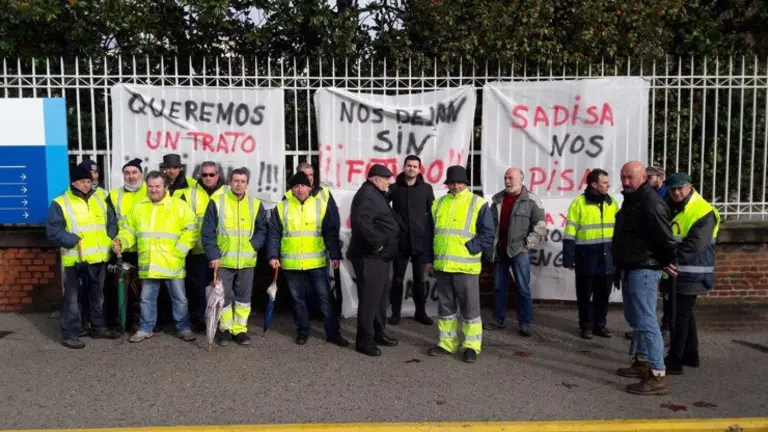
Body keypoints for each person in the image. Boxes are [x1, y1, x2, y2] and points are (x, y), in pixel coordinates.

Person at [613, 161, 677, 395]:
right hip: (632, 267)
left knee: (646, 320)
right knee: (635, 317)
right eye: (623, 177)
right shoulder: (633, 201)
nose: (625, 181)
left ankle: (657, 374)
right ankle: (642, 361)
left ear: (644, 178)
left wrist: (665, 261)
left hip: (644, 268)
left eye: (630, 177)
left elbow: (666, 240)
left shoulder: (650, 203)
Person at [113, 171, 198, 344]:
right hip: (149, 262)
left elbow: (192, 229)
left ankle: (183, 327)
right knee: (146, 299)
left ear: (166, 187)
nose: (153, 190)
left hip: (173, 262)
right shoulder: (139, 207)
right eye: (150, 186)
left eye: (158, 186)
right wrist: (121, 241)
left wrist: (179, 251)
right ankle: (146, 328)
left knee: (180, 299)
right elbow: (128, 231)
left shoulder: (178, 206)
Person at [267, 171, 348, 347]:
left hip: (316, 263)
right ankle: (303, 331)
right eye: (296, 186)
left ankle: (333, 333)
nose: (300, 189)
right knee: (298, 300)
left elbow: (330, 233)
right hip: (291, 263)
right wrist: (273, 255)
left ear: (310, 187)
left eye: (303, 185)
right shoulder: (282, 207)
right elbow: (274, 234)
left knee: (325, 299)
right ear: (291, 189)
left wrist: (335, 255)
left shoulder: (321, 205)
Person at [423, 166, 494, 363]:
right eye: (452, 183)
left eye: (460, 182)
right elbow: (429, 235)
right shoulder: (438, 204)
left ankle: (471, 346)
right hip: (443, 266)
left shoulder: (478, 203)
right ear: (447, 184)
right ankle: (447, 343)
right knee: (445, 308)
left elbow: (488, 235)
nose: (456, 186)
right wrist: (428, 260)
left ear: (466, 183)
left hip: (466, 267)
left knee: (470, 310)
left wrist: (469, 247)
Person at [46, 165, 120, 349]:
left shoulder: (101, 197)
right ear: (73, 182)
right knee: (72, 298)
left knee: (98, 296)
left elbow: (111, 221)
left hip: (99, 257)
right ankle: (70, 333)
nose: (86, 185)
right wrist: (72, 239)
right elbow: (53, 231)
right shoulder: (60, 202)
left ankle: (98, 327)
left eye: (88, 181)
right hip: (75, 259)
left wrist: (110, 238)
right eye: (82, 181)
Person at [661, 172, 720, 375]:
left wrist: (666, 260)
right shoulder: (670, 205)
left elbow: (694, 245)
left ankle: (674, 361)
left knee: (679, 315)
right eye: (673, 189)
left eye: (680, 188)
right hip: (678, 271)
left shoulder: (703, 211)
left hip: (691, 271)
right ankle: (691, 355)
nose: (676, 192)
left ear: (690, 187)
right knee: (685, 314)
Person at [202, 168, 267, 346]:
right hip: (223, 260)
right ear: (230, 182)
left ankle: (240, 330)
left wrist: (254, 245)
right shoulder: (217, 201)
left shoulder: (255, 204)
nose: (239, 184)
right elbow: (207, 232)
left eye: (242, 181)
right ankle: (225, 330)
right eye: (236, 181)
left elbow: (262, 229)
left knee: (244, 298)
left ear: (247, 184)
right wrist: (213, 255)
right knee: (224, 297)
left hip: (246, 260)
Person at [484, 167, 547, 337]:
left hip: (520, 251)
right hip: (500, 250)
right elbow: (489, 224)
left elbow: (540, 227)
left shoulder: (531, 200)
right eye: (505, 178)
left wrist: (527, 245)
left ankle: (524, 322)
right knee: (498, 287)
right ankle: (498, 319)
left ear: (521, 180)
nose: (507, 181)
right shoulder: (497, 199)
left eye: (511, 178)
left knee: (522, 287)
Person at [348, 164, 400, 357]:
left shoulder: (375, 193)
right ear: (376, 178)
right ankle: (364, 341)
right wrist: (378, 244)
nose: (389, 182)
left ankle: (379, 332)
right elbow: (362, 222)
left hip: (380, 257)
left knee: (380, 298)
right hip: (370, 256)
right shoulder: (368, 194)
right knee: (370, 300)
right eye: (386, 178)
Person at [563, 168, 620, 339]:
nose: (608, 185)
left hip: (607, 258)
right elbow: (570, 232)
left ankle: (600, 325)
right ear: (594, 184)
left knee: (603, 296)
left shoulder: (612, 203)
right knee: (584, 295)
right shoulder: (578, 203)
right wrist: (569, 258)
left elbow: (618, 231)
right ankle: (586, 326)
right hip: (586, 258)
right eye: (604, 182)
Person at [386, 155, 435, 326]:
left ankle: (420, 313)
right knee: (397, 279)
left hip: (420, 242)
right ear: (404, 167)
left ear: (420, 169)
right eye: (409, 166)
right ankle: (395, 313)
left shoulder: (427, 189)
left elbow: (433, 215)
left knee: (419, 280)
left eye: (415, 166)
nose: (411, 169)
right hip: (400, 242)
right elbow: (383, 208)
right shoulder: (394, 188)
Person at [625, 166, 672, 343]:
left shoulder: (658, 199)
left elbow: (662, 234)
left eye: (650, 177)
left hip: (653, 261)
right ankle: (643, 349)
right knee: (643, 310)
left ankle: (654, 363)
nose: (647, 180)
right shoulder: (643, 197)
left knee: (650, 310)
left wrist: (668, 259)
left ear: (659, 178)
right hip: (652, 260)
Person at [289, 162, 340, 320]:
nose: (309, 178)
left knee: (322, 287)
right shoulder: (290, 195)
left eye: (311, 175)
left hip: (319, 249)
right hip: (297, 252)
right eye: (305, 175)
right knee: (303, 288)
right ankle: (308, 315)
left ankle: (324, 316)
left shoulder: (324, 192)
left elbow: (333, 221)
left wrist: (332, 247)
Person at [182, 161, 228, 331]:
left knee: (222, 288)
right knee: (202, 287)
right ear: (199, 176)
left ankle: (223, 321)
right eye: (204, 175)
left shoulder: (228, 192)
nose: (208, 178)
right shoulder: (189, 194)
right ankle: (203, 319)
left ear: (218, 175)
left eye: (211, 174)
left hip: (223, 250)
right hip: (199, 249)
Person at [107, 158, 147, 330]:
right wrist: (114, 243)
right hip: (123, 249)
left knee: (145, 290)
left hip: (146, 248)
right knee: (125, 289)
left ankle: (145, 322)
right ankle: (125, 321)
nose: (131, 176)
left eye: (134, 172)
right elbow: (110, 222)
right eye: (127, 173)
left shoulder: (151, 191)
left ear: (141, 174)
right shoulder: (115, 194)